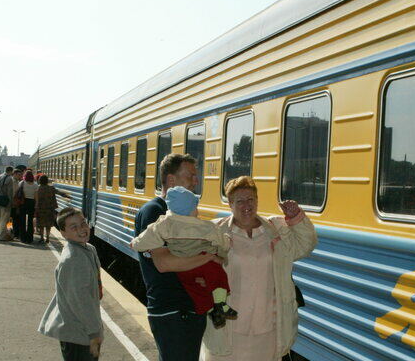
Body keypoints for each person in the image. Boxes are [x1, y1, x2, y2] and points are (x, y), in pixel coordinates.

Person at [202, 176, 316, 361]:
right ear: (230, 204)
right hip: (228, 328)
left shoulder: (275, 229)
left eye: (250, 199)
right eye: (239, 201)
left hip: (267, 329)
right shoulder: (216, 232)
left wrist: (296, 217)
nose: (246, 205)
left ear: (257, 200)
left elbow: (305, 245)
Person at [135, 153, 221, 360]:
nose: (196, 181)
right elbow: (164, 263)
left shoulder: (184, 213)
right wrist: (208, 256)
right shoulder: (155, 212)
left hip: (189, 308)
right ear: (171, 180)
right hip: (171, 310)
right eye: (190, 175)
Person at [132, 186, 236, 328]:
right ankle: (220, 305)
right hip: (203, 263)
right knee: (219, 277)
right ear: (192, 209)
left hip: (183, 268)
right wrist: (225, 247)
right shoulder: (204, 226)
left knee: (194, 290)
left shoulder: (164, 224)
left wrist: (135, 244)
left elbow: (147, 237)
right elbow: (221, 241)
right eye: (196, 207)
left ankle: (210, 310)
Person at [38, 207, 103, 361]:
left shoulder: (89, 249)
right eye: (74, 227)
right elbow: (80, 300)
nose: (81, 229)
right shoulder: (73, 259)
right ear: (63, 233)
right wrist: (94, 333)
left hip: (82, 329)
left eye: (83, 223)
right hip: (78, 333)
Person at [34, 174, 69, 245]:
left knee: (41, 224)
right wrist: (66, 195)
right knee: (48, 224)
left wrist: (36, 208)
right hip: (50, 209)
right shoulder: (51, 188)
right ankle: (47, 238)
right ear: (47, 181)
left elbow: (35, 199)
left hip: (40, 208)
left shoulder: (37, 189)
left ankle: (41, 238)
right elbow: (59, 192)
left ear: (39, 181)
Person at [0, 166, 15, 241]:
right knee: (4, 219)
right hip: (5, 201)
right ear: (11, 171)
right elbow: (10, 192)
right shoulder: (9, 179)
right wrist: (11, 202)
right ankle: (1, 235)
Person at [18, 169, 39, 243]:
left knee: (22, 220)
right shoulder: (35, 184)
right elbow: (36, 196)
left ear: (25, 176)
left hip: (23, 202)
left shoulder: (22, 183)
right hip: (31, 202)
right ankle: (30, 238)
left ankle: (23, 238)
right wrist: (36, 205)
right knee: (30, 221)